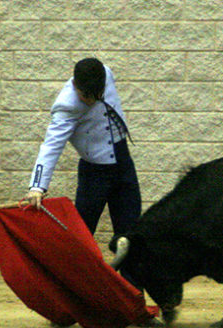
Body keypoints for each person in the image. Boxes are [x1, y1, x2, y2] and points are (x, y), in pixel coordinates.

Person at [24, 58, 141, 240]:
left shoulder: (107, 73)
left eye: (96, 94)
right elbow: (51, 146)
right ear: (75, 85)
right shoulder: (66, 105)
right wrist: (37, 187)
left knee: (131, 231)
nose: (90, 100)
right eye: (85, 95)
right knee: (81, 235)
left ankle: (129, 269)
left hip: (123, 162)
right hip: (95, 174)